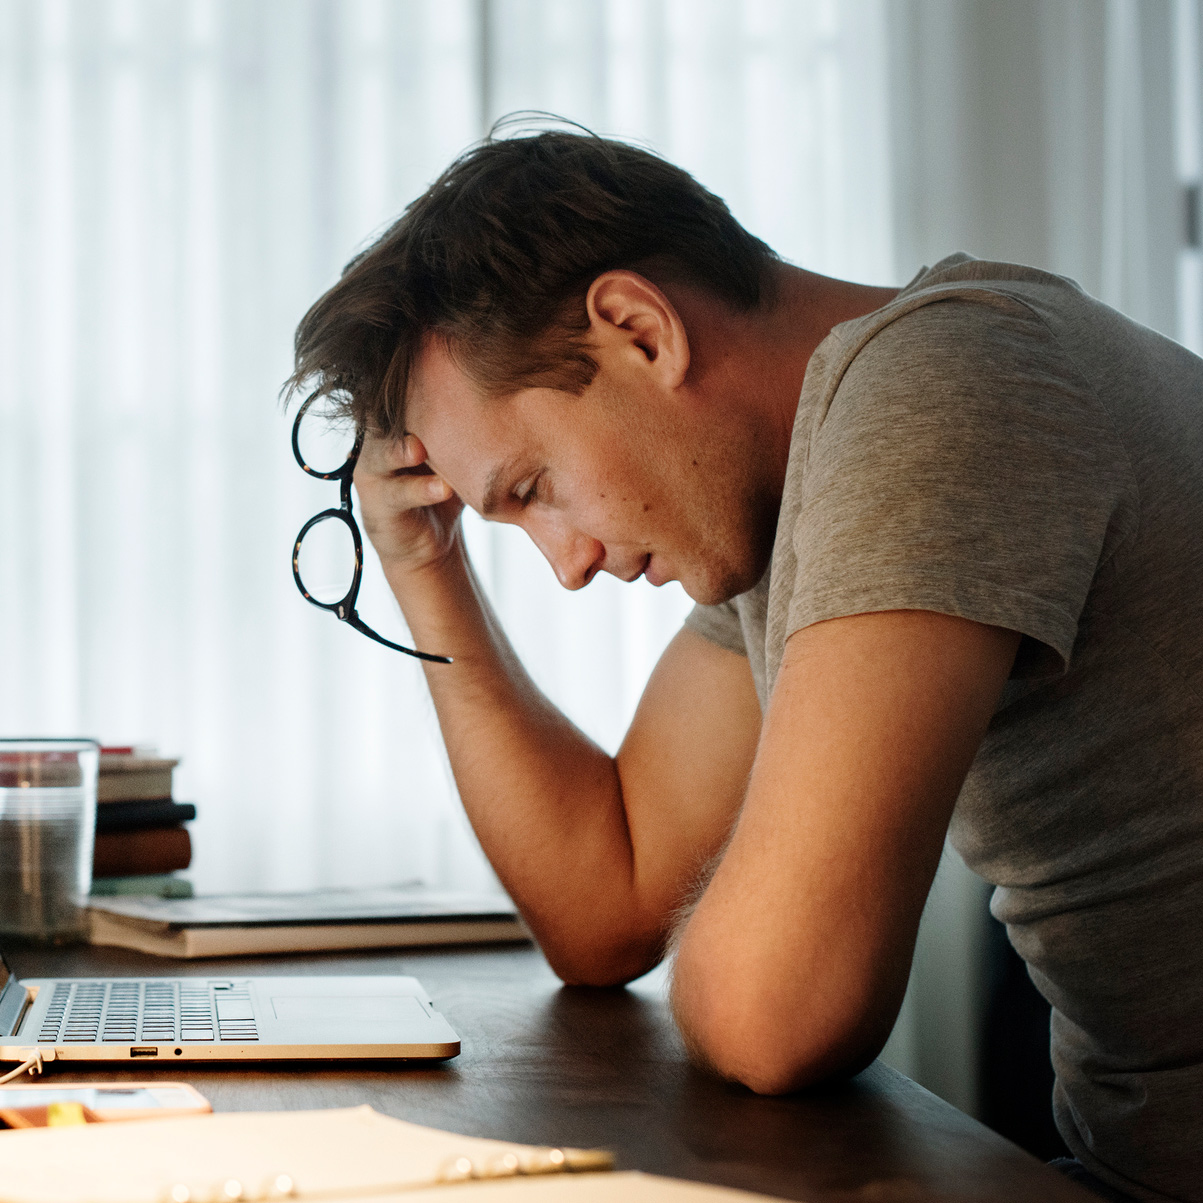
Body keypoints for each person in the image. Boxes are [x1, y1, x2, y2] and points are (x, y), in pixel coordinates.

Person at [287, 130, 1203, 1203]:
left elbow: (782, 1011)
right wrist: (420, 562)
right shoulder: (789, 493)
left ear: (639, 329)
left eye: (534, 488)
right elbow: (608, 906)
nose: (571, 564)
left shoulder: (947, 385)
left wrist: (755, 933)